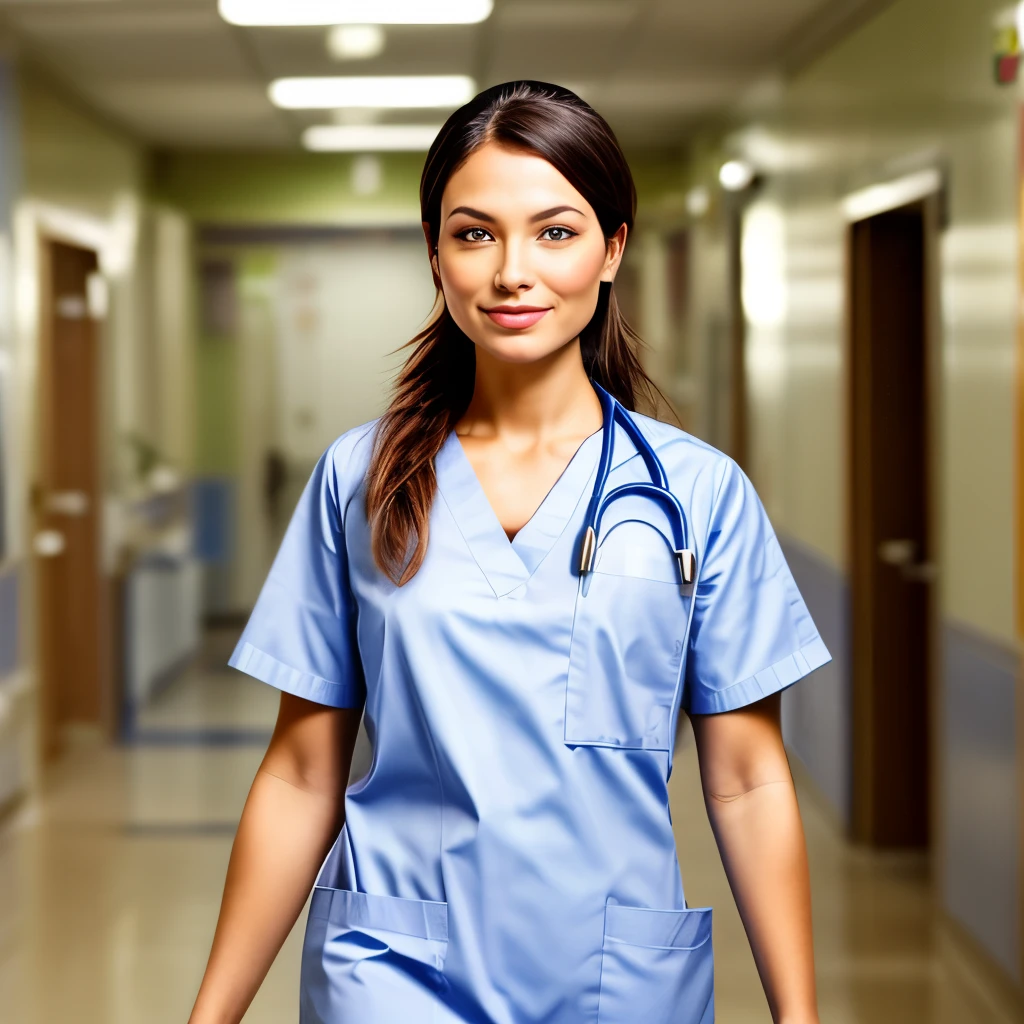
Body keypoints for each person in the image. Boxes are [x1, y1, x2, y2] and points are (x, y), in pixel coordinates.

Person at [187, 80, 830, 1024]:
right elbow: (300, 770)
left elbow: (745, 774)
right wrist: (211, 1015)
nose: (512, 272)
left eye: (556, 232)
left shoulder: (699, 495)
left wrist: (799, 1015)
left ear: (613, 248)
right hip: (393, 966)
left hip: (615, 973)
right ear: (436, 255)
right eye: (475, 233)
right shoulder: (359, 479)